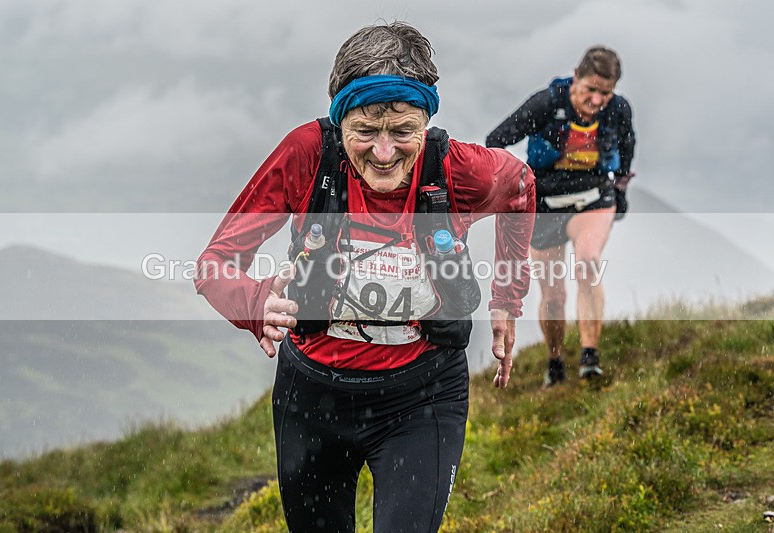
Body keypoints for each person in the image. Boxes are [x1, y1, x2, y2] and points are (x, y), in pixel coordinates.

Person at [195, 22, 535, 532]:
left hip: (422, 398)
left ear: (426, 120)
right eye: (365, 131)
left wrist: (507, 298)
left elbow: (522, 188)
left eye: (402, 131)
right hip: (311, 399)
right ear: (340, 121)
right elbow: (214, 263)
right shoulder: (308, 155)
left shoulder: (460, 169)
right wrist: (254, 301)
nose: (383, 152)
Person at [486, 46, 636, 387]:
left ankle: (590, 359)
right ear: (575, 77)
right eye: (591, 90)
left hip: (593, 198)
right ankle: (555, 361)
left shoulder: (619, 110)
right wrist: (509, 190)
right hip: (544, 203)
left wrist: (622, 190)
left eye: (606, 93)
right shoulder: (546, 103)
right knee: (553, 293)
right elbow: (495, 141)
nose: (597, 99)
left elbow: (628, 147)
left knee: (587, 263)